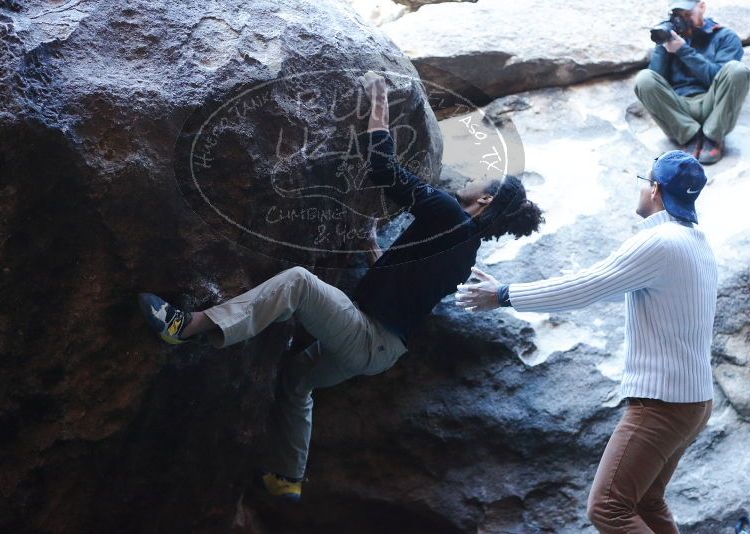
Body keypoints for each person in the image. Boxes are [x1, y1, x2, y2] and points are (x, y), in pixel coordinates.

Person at [137, 71, 544, 502]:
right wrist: (371, 245)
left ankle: (188, 326)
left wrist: (379, 101)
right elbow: (402, 290)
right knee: (297, 381)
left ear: (485, 201)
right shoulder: (466, 253)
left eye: (485, 177)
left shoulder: (448, 214)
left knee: (297, 283)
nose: (474, 176)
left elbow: (383, 168)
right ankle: (288, 477)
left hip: (365, 335)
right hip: (380, 350)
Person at [456, 151, 717, 533]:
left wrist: (505, 294)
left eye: (644, 181)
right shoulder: (694, 242)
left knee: (608, 508)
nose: (642, 189)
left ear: (655, 190)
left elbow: (586, 287)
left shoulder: (659, 243)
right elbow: (606, 289)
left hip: (662, 404)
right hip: (692, 402)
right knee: (644, 502)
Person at [634, 0, 750, 165]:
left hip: (714, 105)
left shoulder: (724, 37)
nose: (684, 20)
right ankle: (690, 136)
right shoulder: (671, 39)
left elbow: (722, 78)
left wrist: (683, 51)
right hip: (679, 109)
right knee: (643, 78)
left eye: (688, 14)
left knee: (737, 69)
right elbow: (654, 83)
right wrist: (662, 45)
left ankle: (712, 136)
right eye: (678, 16)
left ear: (702, 6)